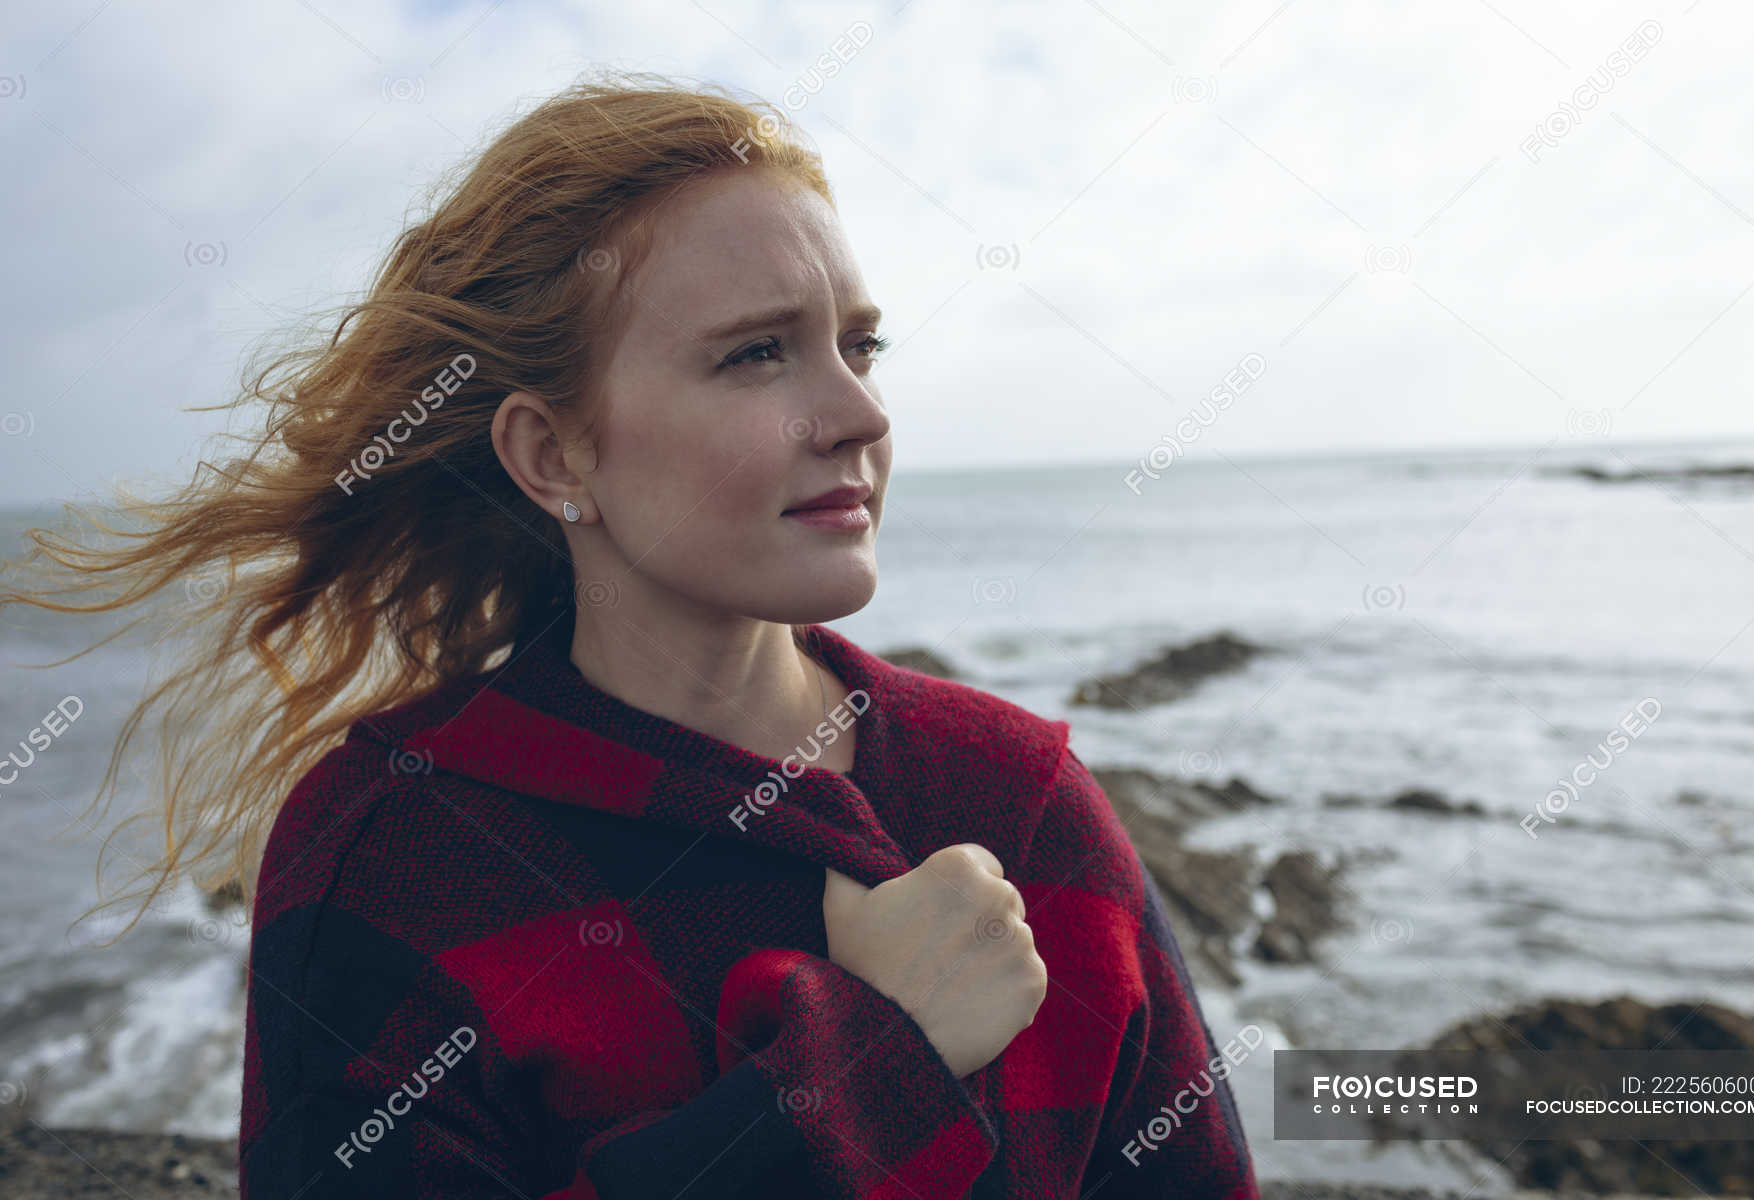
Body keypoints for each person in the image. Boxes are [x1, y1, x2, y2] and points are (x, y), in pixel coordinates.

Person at [1, 71, 1259, 1199]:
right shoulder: (396, 845)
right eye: (757, 355)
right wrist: (867, 1071)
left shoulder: (1015, 797)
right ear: (555, 452)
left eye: (859, 345)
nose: (858, 414)